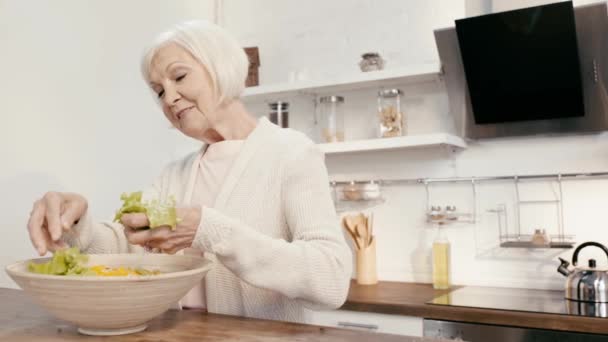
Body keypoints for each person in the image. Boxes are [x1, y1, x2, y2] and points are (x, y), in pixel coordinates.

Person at [26, 20, 352, 323]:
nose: (168, 98)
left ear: (219, 67)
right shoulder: (176, 174)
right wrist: (77, 226)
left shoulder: (292, 154)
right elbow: (131, 247)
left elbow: (331, 279)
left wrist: (210, 230)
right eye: (158, 90)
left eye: (179, 77)